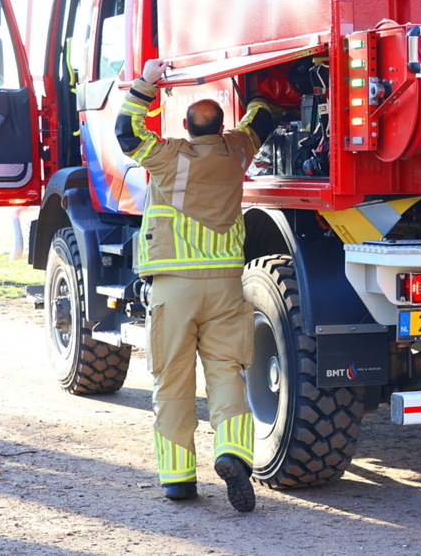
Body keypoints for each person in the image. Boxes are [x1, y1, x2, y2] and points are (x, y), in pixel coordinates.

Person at [115, 59, 279, 512]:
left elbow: (127, 130)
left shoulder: (168, 156)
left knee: (172, 381)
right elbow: (263, 118)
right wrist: (257, 80)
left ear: (186, 128)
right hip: (226, 286)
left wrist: (149, 82)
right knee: (228, 372)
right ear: (223, 127)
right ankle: (233, 454)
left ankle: (178, 481)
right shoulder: (238, 151)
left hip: (175, 288)